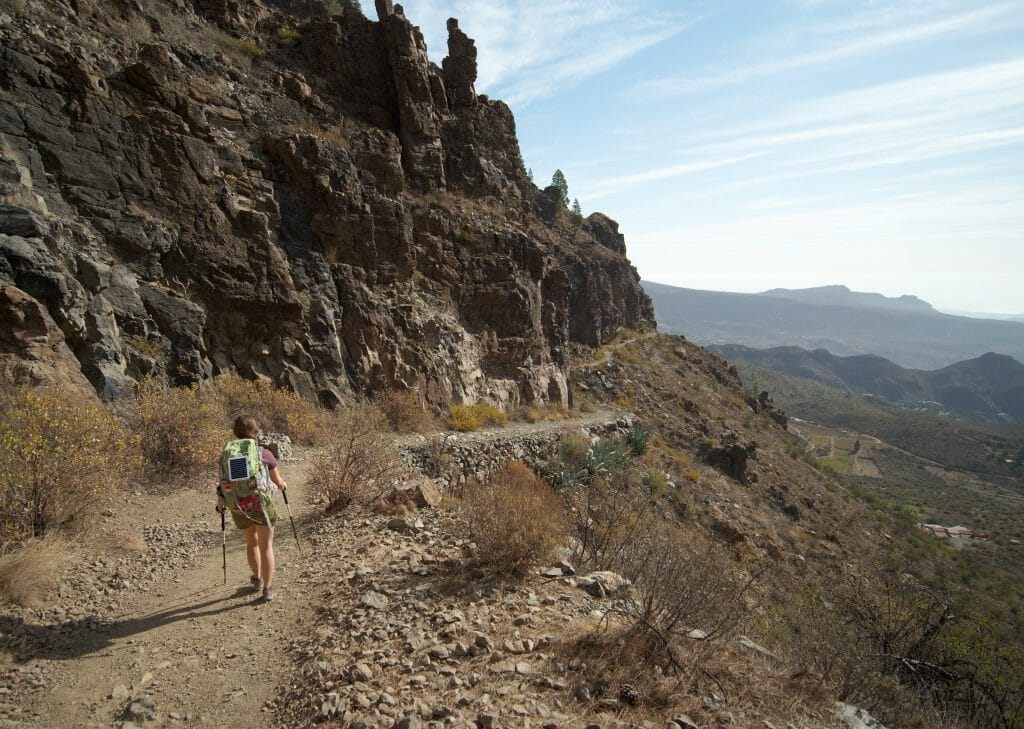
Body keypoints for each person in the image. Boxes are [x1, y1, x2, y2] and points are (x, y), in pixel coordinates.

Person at [216, 415, 288, 602]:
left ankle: (256, 579)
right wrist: (282, 485)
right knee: (266, 546)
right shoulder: (263, 453)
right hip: (260, 504)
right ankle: (268, 588)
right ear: (256, 432)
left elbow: (223, 482)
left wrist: (221, 502)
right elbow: (277, 481)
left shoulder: (227, 454)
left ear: (235, 432)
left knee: (251, 543)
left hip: (238, 506)